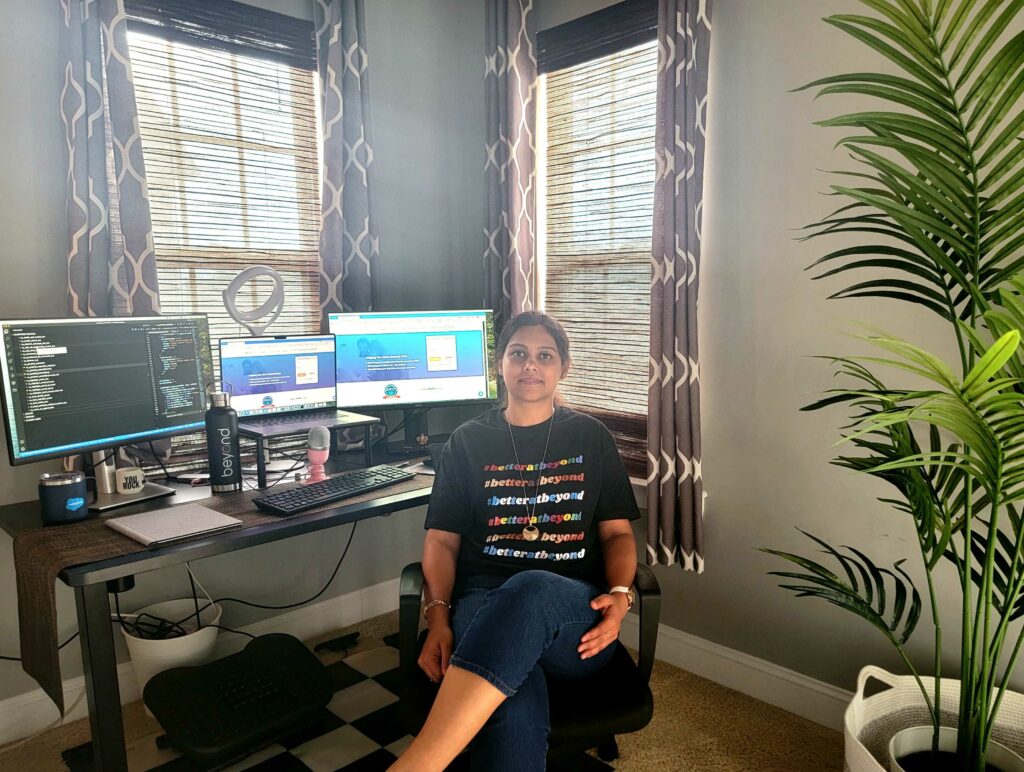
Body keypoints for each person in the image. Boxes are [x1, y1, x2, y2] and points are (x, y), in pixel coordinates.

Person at [389, 311, 641, 772]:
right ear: (499, 365)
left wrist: (621, 597)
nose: (531, 365)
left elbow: (618, 533)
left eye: (545, 356)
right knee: (512, 697)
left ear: (562, 367)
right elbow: (442, 541)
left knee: (533, 587)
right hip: (481, 602)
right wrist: (439, 618)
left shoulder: (590, 435)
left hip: (572, 617)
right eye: (518, 354)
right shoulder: (467, 442)